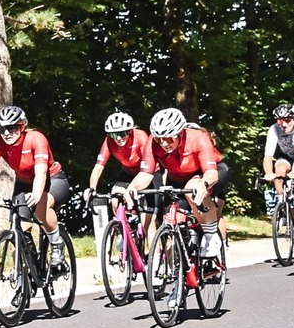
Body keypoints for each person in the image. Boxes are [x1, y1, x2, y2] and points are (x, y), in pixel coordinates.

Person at [0, 105, 70, 258]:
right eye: (2, 129)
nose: (7, 133)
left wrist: (36, 194)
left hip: (52, 179)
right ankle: (25, 273)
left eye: (12, 127)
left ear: (22, 126)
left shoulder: (36, 138)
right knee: (19, 231)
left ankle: (56, 243)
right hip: (23, 183)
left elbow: (41, 171)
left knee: (41, 205)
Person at [148, 107, 230, 258]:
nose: (164, 143)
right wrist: (132, 188)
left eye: (169, 138)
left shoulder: (198, 138)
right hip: (179, 178)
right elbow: (145, 174)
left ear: (180, 133)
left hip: (209, 172)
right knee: (174, 217)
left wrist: (204, 184)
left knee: (193, 188)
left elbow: (211, 173)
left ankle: (212, 237)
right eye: (159, 139)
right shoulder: (153, 143)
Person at [88, 110, 157, 242]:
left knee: (147, 221)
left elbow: (147, 168)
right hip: (129, 172)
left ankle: (155, 256)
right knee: (115, 198)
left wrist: (135, 187)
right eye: (114, 134)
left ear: (130, 131)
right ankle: (124, 232)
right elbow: (98, 168)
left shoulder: (140, 137)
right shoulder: (109, 141)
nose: (119, 138)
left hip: (149, 173)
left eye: (123, 133)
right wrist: (92, 189)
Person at [262, 102, 294, 203]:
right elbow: (268, 156)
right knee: (279, 171)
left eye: (287, 120)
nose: (284, 124)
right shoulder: (274, 129)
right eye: (280, 121)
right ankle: (282, 203)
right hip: (288, 157)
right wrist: (268, 173)